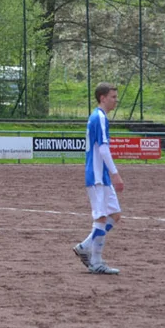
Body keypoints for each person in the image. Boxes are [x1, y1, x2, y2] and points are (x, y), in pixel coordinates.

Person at [72, 82, 124, 275]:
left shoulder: (98, 117)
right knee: (101, 217)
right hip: (97, 175)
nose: (115, 101)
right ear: (103, 97)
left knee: (114, 215)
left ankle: (85, 247)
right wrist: (115, 173)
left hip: (101, 176)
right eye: (113, 97)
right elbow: (103, 148)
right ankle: (95, 261)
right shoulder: (99, 117)